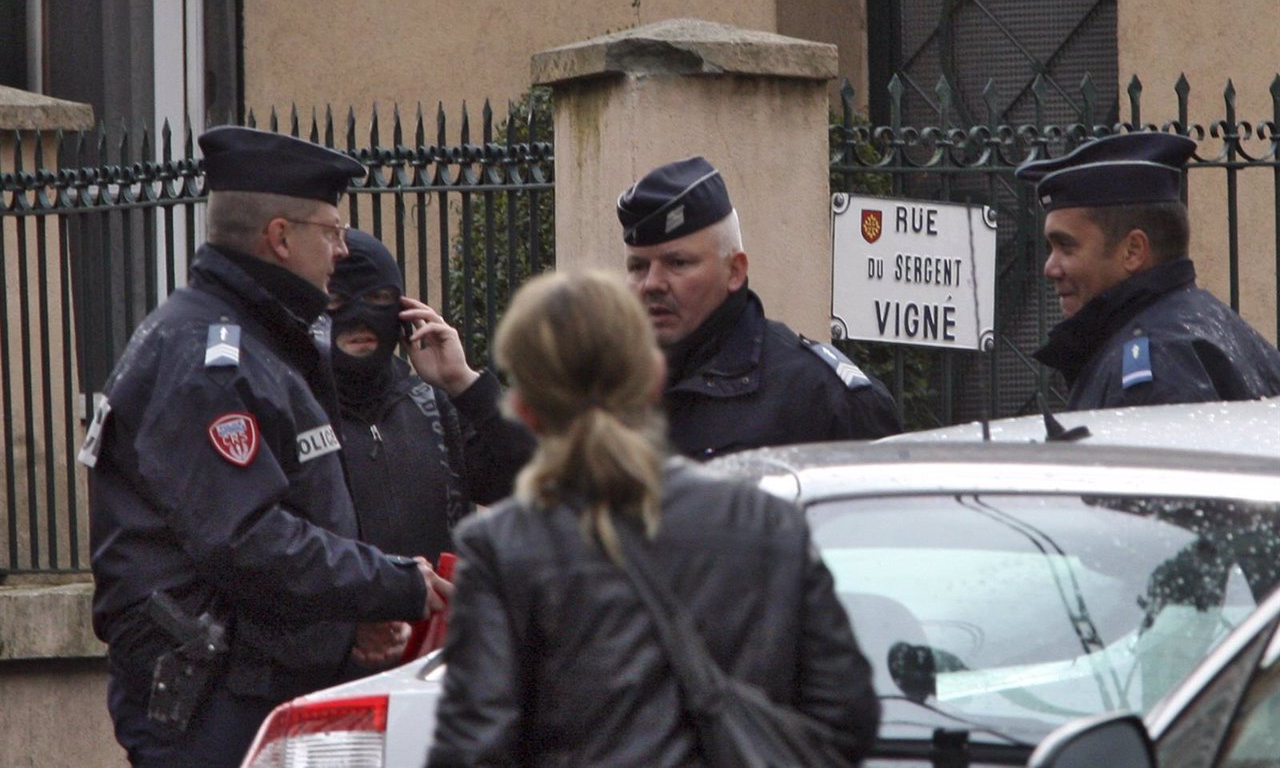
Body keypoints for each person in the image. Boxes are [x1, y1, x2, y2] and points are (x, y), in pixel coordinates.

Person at [83, 126, 451, 767]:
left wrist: (344, 625)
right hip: (211, 704)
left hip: (251, 685)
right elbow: (246, 541)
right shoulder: (210, 361)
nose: (341, 251)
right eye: (331, 231)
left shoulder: (260, 345)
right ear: (280, 237)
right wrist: (389, 585)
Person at [427, 269, 879, 766]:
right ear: (654, 379)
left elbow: (471, 751)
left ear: (525, 409)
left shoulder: (500, 548)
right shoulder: (769, 522)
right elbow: (848, 717)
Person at [616, 156, 902, 459]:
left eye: (678, 263)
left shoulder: (820, 399)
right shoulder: (607, 390)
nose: (652, 284)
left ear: (735, 271)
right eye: (638, 267)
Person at [1016, 131, 1280, 410]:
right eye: (1051, 248)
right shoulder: (1209, 323)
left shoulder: (1156, 365)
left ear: (1133, 251)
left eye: (1066, 247)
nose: (1050, 268)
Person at [327, 228, 534, 566]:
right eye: (337, 300)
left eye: (379, 298)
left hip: (440, 615)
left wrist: (465, 384)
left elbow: (530, 482)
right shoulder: (297, 408)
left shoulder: (433, 406)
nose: (361, 318)